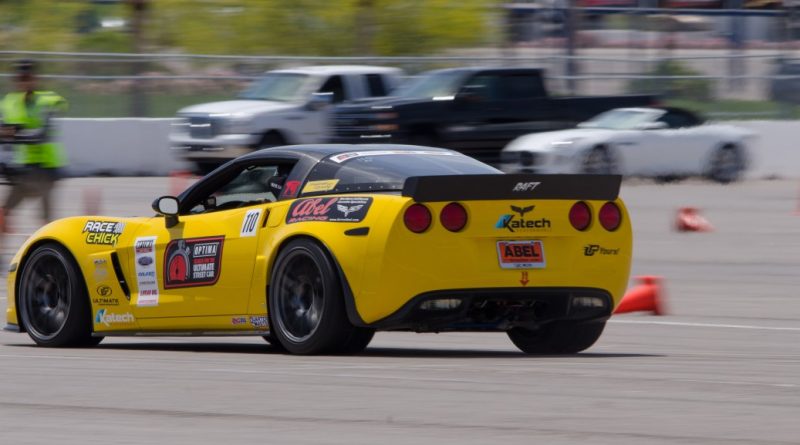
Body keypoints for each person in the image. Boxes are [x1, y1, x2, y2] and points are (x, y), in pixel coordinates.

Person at [0, 59, 68, 232]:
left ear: (35, 79)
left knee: (45, 221)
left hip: (46, 170)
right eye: (21, 78)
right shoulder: (10, 102)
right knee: (4, 212)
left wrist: (14, 133)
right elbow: (2, 130)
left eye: (28, 78)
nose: (24, 82)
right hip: (24, 170)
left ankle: (47, 254)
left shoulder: (47, 101)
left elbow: (41, 134)